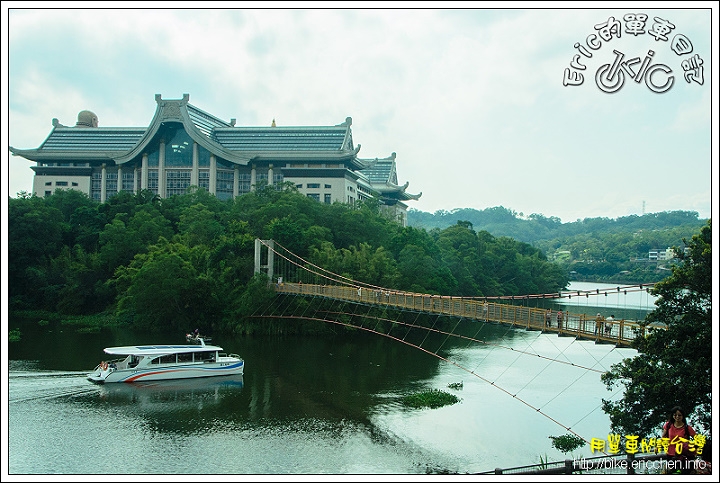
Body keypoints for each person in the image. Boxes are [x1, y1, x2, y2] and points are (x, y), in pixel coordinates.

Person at [661, 406, 697, 474]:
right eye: (675, 415)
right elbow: (663, 437)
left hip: (684, 455)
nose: (677, 417)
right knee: (672, 473)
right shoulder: (668, 425)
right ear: (672, 416)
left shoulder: (687, 428)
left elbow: (697, 439)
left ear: (683, 416)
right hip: (671, 454)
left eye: (679, 415)